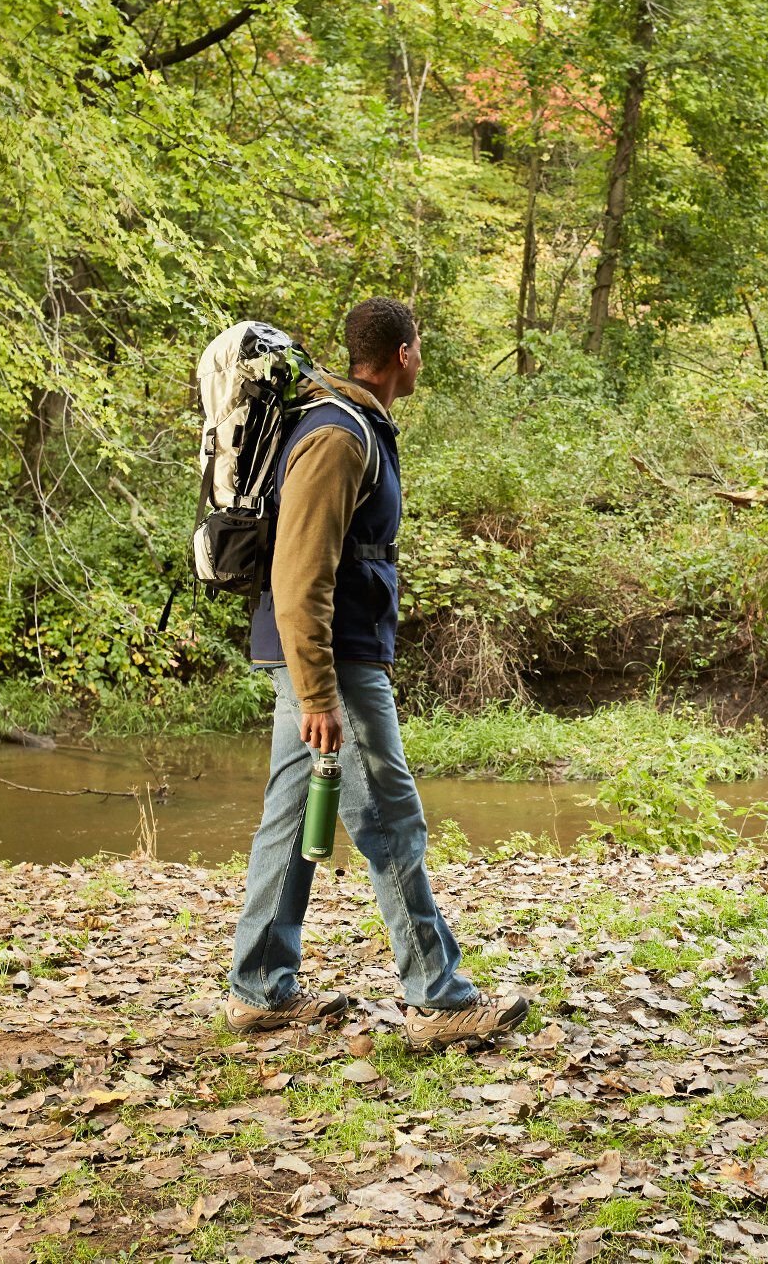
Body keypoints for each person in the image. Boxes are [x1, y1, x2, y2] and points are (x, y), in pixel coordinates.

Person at [225, 297, 528, 1047]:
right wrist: (320, 691)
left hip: (328, 655)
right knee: (389, 818)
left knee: (291, 818)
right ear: (401, 353)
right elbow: (300, 576)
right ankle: (440, 998)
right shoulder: (337, 436)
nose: (422, 357)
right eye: (420, 345)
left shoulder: (354, 425)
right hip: (334, 660)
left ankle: (260, 987)